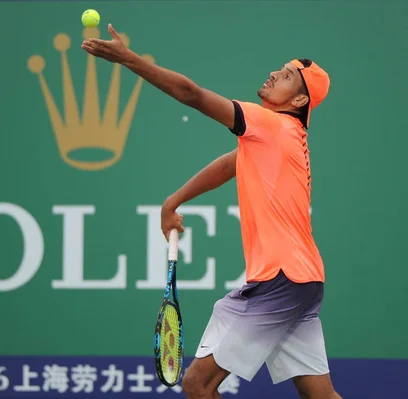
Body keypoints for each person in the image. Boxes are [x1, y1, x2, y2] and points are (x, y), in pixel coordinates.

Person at [82, 24, 343, 399]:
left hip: (281, 279)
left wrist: (128, 59)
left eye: (286, 76)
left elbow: (190, 94)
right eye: (279, 68)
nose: (274, 73)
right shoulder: (281, 137)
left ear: (299, 101)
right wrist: (173, 201)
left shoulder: (269, 124)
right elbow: (229, 165)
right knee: (322, 396)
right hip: (303, 281)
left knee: (198, 384)